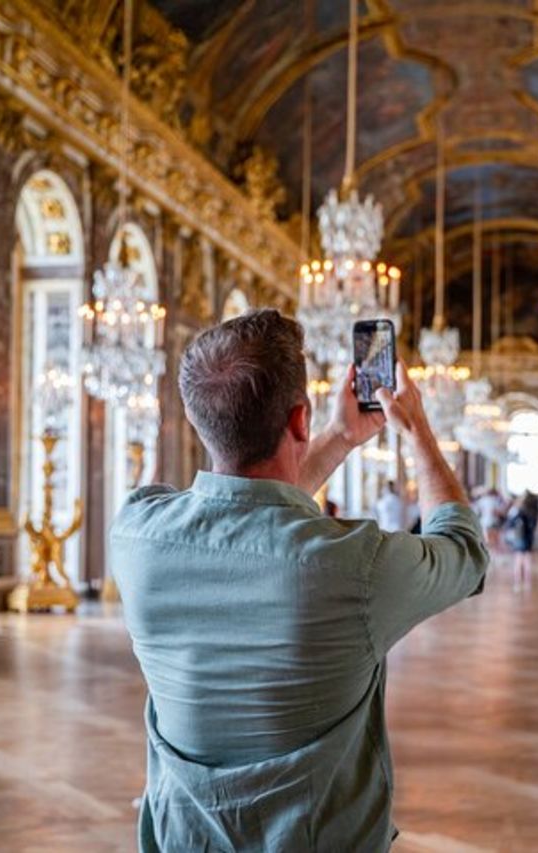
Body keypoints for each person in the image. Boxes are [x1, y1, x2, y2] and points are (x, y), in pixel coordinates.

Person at [110, 310, 488, 852]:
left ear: (195, 417)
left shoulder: (136, 535)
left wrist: (339, 437)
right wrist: (416, 429)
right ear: (299, 419)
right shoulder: (355, 566)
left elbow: (247, 517)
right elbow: (464, 551)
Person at [505, 492, 538, 590]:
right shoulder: (531, 512)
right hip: (528, 539)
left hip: (519, 539)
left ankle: (518, 580)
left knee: (518, 559)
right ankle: (527, 580)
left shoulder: (516, 513)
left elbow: (509, 525)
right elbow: (533, 525)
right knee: (527, 559)